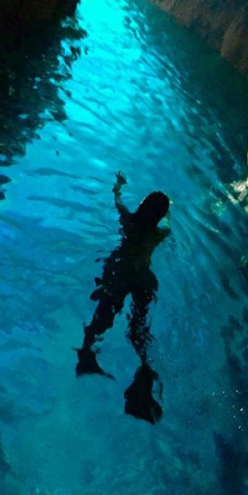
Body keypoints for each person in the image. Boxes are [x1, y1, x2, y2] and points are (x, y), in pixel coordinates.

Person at [76, 171, 170, 424]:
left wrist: (118, 185)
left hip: (121, 274)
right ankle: (144, 370)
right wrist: (168, 215)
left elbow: (116, 201)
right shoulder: (158, 234)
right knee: (138, 325)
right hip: (143, 279)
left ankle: (86, 354)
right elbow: (168, 226)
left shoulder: (129, 221)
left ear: (141, 206)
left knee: (104, 314)